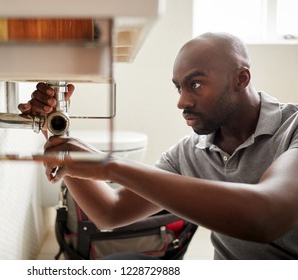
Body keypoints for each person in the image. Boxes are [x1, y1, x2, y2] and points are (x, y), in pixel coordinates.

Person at [18, 32, 298, 259]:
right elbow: (110, 212)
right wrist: (55, 130)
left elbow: (266, 217)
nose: (182, 101)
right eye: (179, 87)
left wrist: (110, 167)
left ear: (241, 79)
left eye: (196, 84)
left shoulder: (293, 129)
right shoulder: (190, 153)